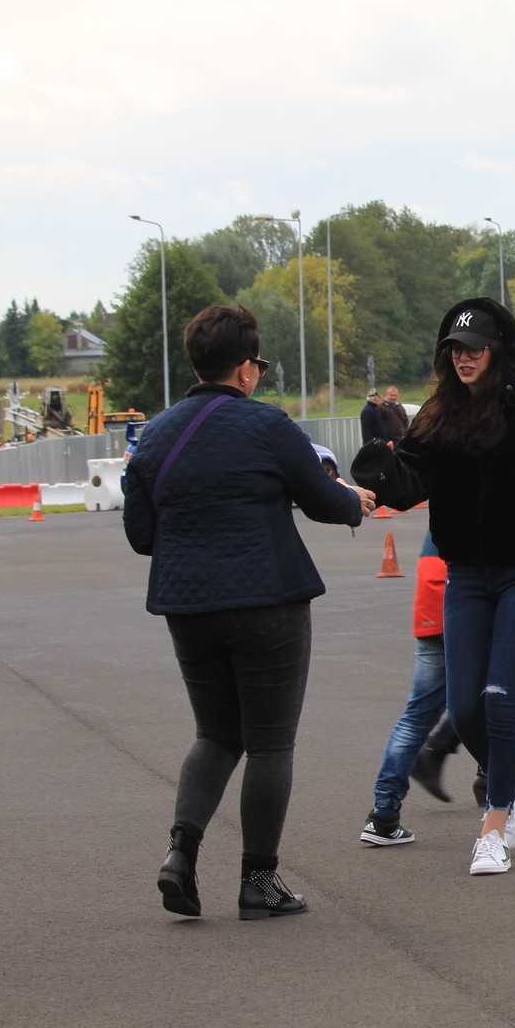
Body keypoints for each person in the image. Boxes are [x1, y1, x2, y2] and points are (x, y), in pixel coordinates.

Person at [124, 303, 373, 920]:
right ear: (243, 368)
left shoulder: (155, 435)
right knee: (269, 745)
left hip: (188, 605)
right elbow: (321, 500)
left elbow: (141, 534)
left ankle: (180, 853)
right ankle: (258, 880)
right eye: (257, 363)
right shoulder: (266, 424)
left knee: (215, 734)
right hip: (267, 603)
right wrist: (355, 504)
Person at [352, 296, 515, 876]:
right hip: (465, 578)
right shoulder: (438, 412)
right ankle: (514, 780)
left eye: (475, 348)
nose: (464, 357)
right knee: (463, 706)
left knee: (501, 697)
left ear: (498, 350)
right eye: (454, 348)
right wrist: (381, 471)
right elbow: (410, 481)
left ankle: (495, 827)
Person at [361, 532, 515, 846]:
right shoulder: (469, 523)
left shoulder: (444, 523)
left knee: (419, 715)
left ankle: (384, 813)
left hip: (431, 615)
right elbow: (488, 575)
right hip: (464, 617)